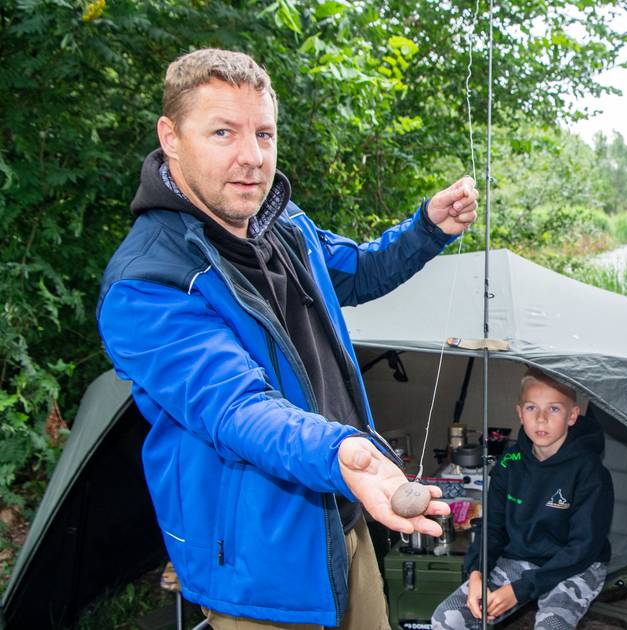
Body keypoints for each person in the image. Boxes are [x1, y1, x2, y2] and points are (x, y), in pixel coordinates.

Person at [96, 48, 477, 628]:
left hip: (343, 515)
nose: (252, 158)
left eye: (265, 134)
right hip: (259, 565)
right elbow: (235, 408)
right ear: (170, 137)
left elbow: (357, 270)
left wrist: (426, 230)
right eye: (223, 132)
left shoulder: (284, 225)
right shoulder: (146, 284)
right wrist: (339, 453)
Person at [431, 369, 614, 630]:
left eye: (553, 409)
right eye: (531, 408)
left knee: (552, 625)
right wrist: (476, 573)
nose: (541, 419)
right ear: (519, 413)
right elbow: (491, 528)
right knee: (446, 618)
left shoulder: (591, 472)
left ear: (572, 415)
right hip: (520, 558)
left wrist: (520, 589)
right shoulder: (508, 463)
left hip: (575, 564)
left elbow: (583, 548)